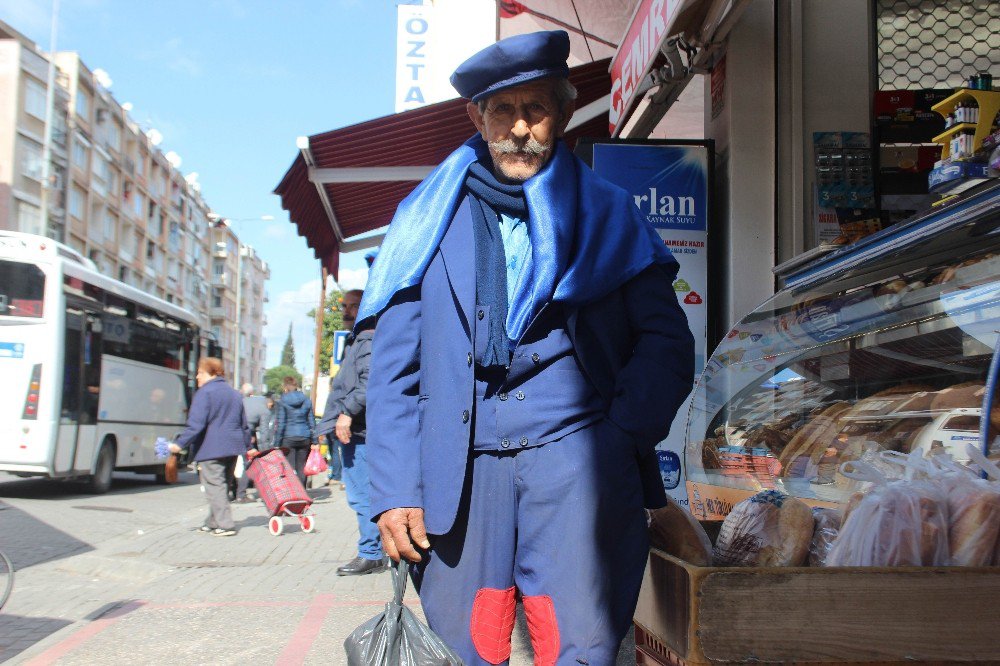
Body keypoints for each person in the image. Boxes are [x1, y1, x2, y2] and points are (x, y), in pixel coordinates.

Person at [360, 31, 695, 665]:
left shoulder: (611, 214)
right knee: (468, 648)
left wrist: (622, 436)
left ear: (563, 114)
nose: (519, 128)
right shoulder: (423, 222)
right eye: (502, 111)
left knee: (578, 646)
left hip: (578, 468)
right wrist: (395, 487)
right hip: (459, 473)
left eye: (535, 109)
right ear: (475, 117)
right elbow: (393, 372)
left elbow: (667, 343)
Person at [317, 289, 384, 576]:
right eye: (344, 305)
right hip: (359, 430)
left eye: (352, 306)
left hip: (359, 431)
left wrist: (346, 414)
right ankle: (376, 550)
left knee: (362, 495)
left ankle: (371, 552)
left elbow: (368, 384)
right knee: (363, 493)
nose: (346, 311)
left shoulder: (367, 340)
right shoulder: (360, 341)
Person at [169, 357, 256, 537]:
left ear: (211, 372)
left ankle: (225, 525)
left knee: (214, 486)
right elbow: (244, 424)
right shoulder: (234, 394)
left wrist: (179, 444)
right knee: (221, 485)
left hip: (211, 447)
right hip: (233, 447)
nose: (197, 377)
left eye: (200, 372)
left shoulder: (205, 393)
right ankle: (212, 522)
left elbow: (196, 424)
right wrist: (248, 446)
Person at [273, 376, 316, 486]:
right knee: (302, 466)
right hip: (305, 437)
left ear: (285, 387)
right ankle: (303, 492)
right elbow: (312, 422)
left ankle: (294, 493)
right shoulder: (306, 400)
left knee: (290, 467)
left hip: (288, 438)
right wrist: (315, 441)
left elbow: (281, 423)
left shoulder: (283, 401)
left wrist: (277, 443)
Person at [234, 383, 272, 504]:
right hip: (247, 435)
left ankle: (231, 492)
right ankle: (241, 494)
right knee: (249, 464)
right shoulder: (263, 408)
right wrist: (265, 450)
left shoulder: (238, 401)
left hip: (230, 434)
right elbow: (265, 431)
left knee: (232, 463)